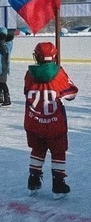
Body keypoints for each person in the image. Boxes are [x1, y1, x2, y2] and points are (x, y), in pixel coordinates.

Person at [24, 42, 78, 199]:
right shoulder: (59, 73)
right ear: (54, 56)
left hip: (34, 122)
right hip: (55, 124)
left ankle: (33, 180)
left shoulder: (29, 74)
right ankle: (58, 184)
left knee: (37, 150)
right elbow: (71, 95)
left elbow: (26, 91)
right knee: (58, 152)